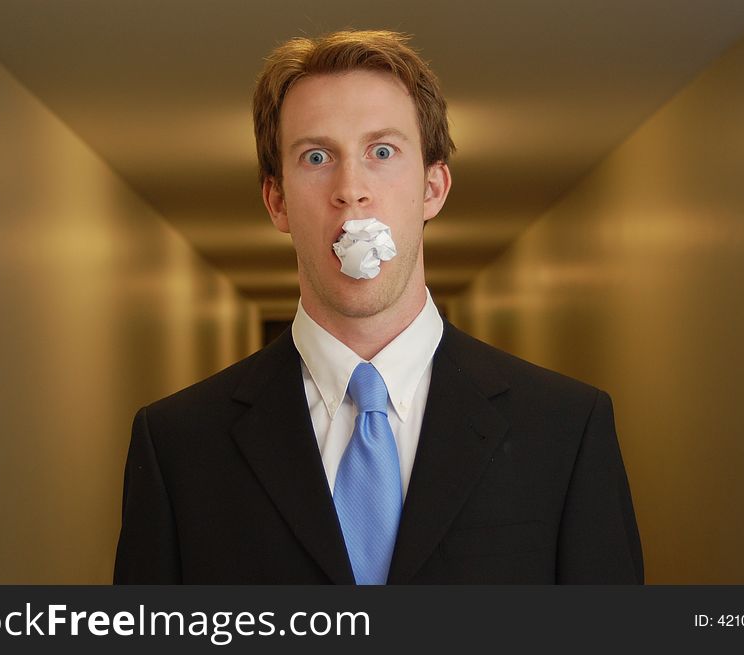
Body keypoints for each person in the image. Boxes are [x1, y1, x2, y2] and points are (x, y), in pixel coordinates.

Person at [113, 30, 643, 584]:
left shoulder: (565, 427)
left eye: (382, 152)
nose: (351, 189)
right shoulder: (178, 445)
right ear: (277, 200)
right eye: (316, 156)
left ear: (433, 188)